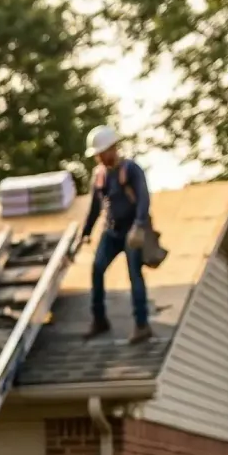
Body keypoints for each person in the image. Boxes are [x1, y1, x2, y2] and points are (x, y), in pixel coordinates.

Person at [80, 126, 154, 342]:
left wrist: (139, 225)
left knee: (134, 275)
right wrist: (86, 232)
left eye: (103, 153)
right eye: (97, 155)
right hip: (112, 231)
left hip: (132, 230)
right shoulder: (100, 175)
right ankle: (99, 319)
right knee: (97, 268)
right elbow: (95, 207)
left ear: (113, 148)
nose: (100, 158)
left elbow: (143, 198)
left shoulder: (131, 170)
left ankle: (142, 325)